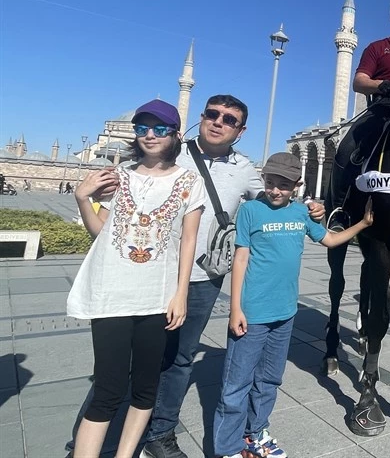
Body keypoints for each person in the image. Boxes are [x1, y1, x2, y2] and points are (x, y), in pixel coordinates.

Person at [65, 94, 325, 458]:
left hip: (202, 278)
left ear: (240, 131)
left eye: (229, 119)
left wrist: (312, 208)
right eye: (213, 114)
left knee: (179, 359)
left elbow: (274, 199)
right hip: (150, 276)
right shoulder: (171, 152)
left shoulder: (245, 169)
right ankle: (84, 440)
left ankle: (160, 434)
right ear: (200, 118)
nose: (219, 122)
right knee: (120, 363)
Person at [66, 99, 207, 458]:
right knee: (108, 389)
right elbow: (100, 233)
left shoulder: (189, 182)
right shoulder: (118, 177)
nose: (150, 135)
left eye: (159, 129)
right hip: (111, 294)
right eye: (142, 128)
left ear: (174, 135)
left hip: (157, 298)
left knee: (145, 387)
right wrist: (83, 199)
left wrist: (181, 294)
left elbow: (188, 241)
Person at [213, 153, 374, 458]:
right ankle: (228, 448)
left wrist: (363, 224)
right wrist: (235, 308)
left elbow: (329, 240)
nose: (275, 190)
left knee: (269, 379)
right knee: (237, 383)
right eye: (270, 182)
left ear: (296, 185)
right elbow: (241, 258)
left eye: (283, 185)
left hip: (285, 312)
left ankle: (256, 434)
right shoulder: (250, 210)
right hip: (252, 312)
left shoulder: (301, 213)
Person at [327, 0, 390, 232]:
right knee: (347, 150)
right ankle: (339, 210)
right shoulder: (379, 48)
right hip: (383, 110)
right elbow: (359, 82)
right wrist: (382, 85)